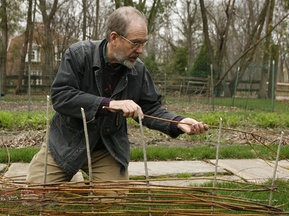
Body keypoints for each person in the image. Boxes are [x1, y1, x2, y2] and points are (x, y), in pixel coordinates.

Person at [26, 6, 209, 183]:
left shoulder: (138, 70)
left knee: (112, 201)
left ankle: (78, 175)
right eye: (135, 43)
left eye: (143, 43)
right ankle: (71, 173)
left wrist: (178, 122)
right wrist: (110, 104)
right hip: (66, 143)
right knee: (35, 194)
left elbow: (151, 108)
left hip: (107, 148)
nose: (140, 51)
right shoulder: (79, 55)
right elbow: (61, 96)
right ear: (114, 38)